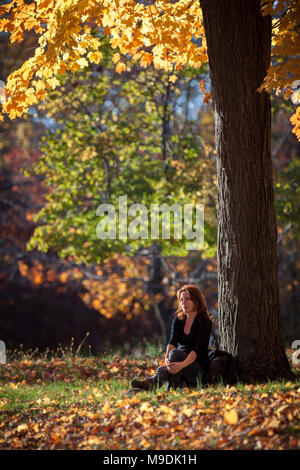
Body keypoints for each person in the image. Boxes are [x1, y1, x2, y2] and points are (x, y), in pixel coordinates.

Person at [130, 284, 214, 392]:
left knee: (175, 354)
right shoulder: (178, 321)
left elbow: (196, 350)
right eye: (181, 299)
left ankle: (169, 388)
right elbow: (172, 342)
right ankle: (151, 384)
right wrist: (167, 360)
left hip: (197, 370)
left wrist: (181, 365)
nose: (183, 302)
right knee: (164, 367)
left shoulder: (204, 323)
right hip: (179, 364)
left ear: (196, 301)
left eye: (187, 299)